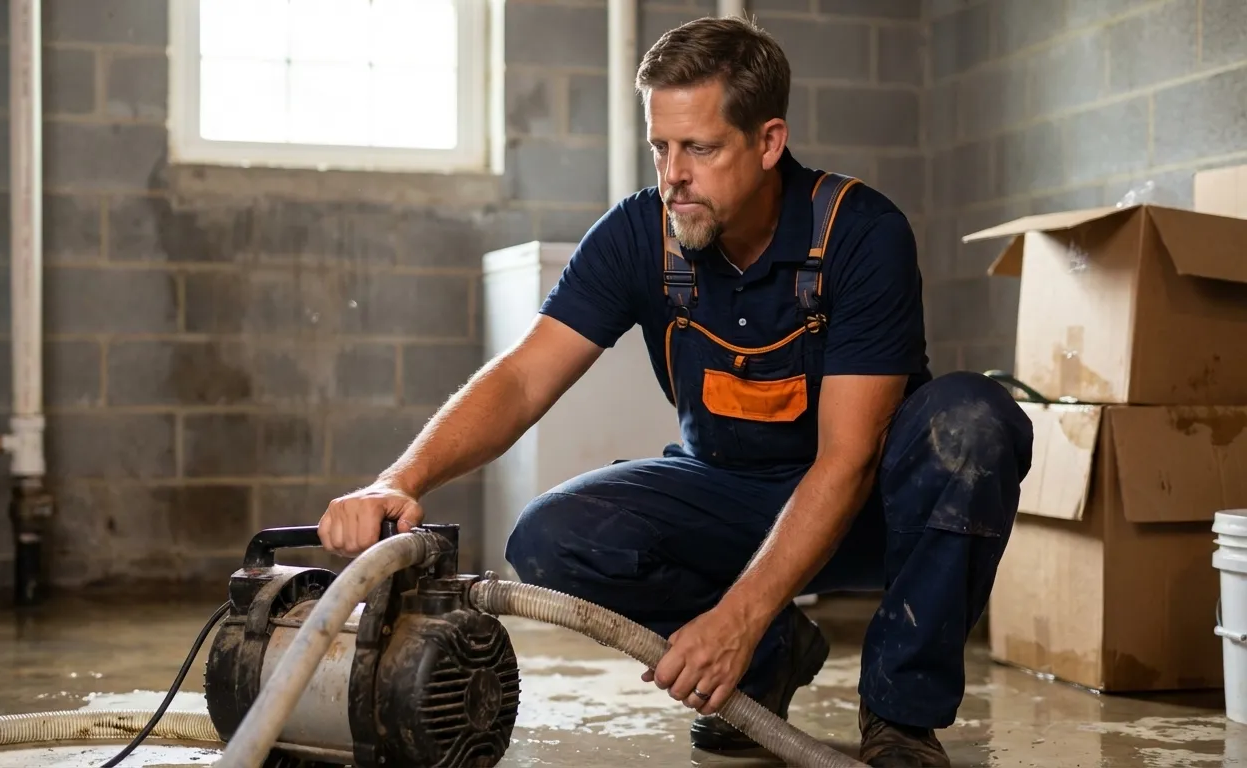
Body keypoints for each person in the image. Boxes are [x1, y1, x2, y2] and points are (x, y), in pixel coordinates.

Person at [317, 15, 1033, 768]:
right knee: (551, 536)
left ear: (768, 142)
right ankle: (766, 669)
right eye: (661, 146)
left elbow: (848, 461)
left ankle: (899, 718)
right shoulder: (639, 233)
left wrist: (738, 615)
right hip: (724, 496)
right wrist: (399, 479)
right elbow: (525, 377)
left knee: (974, 422)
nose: (673, 175)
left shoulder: (859, 234)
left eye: (700, 148)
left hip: (867, 509)